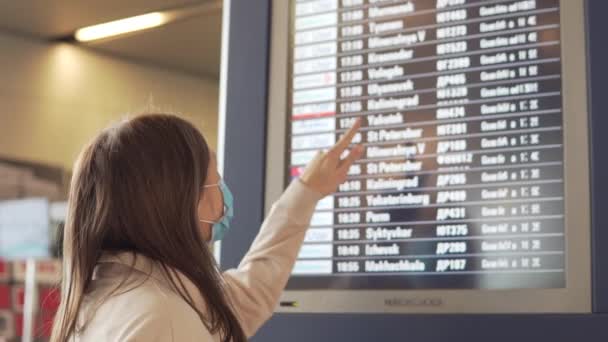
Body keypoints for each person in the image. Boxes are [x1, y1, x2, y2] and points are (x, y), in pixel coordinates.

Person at [50, 114, 363, 341]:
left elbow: (249, 294)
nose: (224, 193)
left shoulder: (111, 297)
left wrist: (306, 192)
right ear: (180, 201)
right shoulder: (163, 317)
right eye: (215, 179)